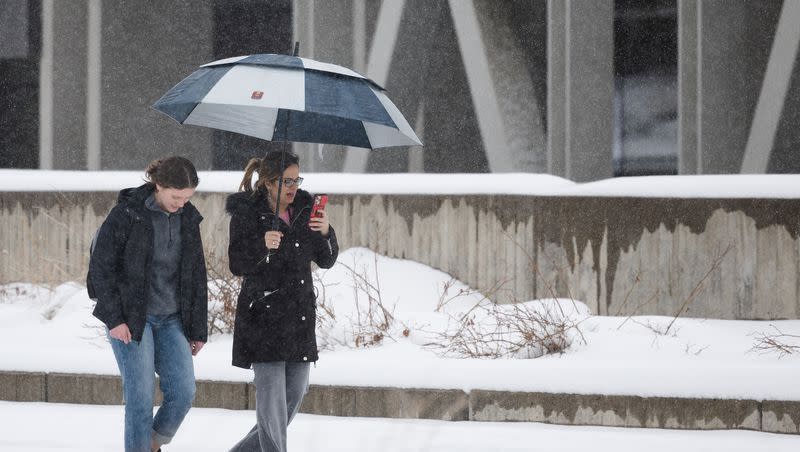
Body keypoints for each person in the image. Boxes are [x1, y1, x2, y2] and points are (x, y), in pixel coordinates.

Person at [88, 156, 208, 452]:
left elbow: (196, 276)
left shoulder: (189, 219)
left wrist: (197, 329)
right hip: (132, 321)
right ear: (158, 185)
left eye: (187, 197)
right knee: (140, 401)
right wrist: (115, 319)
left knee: (183, 393)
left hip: (172, 320)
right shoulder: (127, 214)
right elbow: (101, 269)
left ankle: (151, 443)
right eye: (176, 197)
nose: (181, 203)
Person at [226, 150, 338, 452]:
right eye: (286, 181)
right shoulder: (247, 212)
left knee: (293, 394)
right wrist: (263, 246)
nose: (293, 187)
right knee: (271, 400)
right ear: (268, 183)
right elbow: (237, 262)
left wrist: (326, 231)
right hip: (264, 314)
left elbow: (326, 259)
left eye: (296, 179)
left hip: (299, 315)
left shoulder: (305, 208)